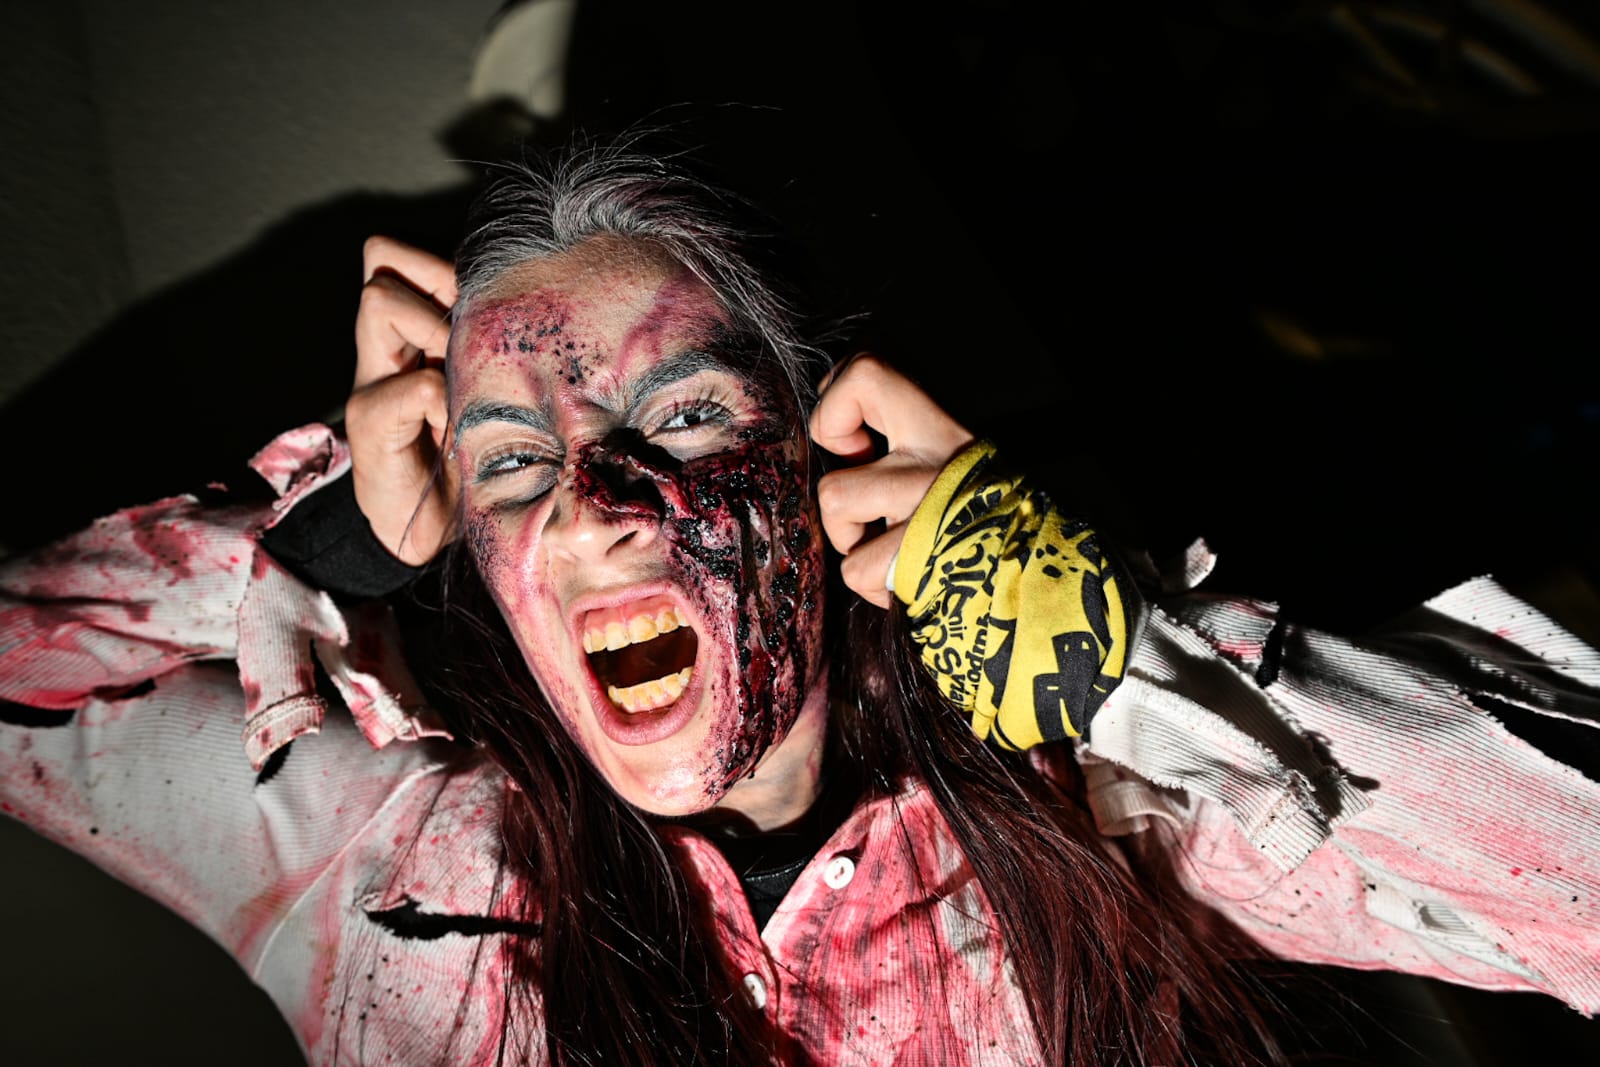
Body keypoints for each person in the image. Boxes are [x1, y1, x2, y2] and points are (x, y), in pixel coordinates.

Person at [2, 134, 1597, 1066]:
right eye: (510, 462)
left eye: (688, 418)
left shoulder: (1119, 816)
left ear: (825, 457)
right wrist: (330, 537)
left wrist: (1129, 666)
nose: (594, 509)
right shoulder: (381, 863)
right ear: (467, 549)